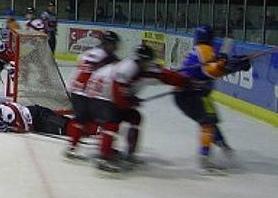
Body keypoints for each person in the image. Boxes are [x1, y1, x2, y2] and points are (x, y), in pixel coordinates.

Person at [84, 45, 191, 173]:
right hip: (99, 98)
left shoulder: (141, 67)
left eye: (145, 61)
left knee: (135, 117)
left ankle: (129, 154)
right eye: (141, 61)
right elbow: (117, 93)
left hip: (104, 97)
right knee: (111, 124)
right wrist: (129, 102)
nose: (143, 64)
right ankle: (104, 158)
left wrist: (185, 81)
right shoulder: (127, 68)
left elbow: (164, 75)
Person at [174, 25, 252, 173]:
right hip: (190, 94)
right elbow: (213, 71)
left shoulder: (199, 50)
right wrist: (233, 65)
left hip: (193, 94)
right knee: (207, 122)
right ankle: (206, 159)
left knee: (211, 120)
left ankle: (224, 148)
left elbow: (215, 65)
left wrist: (232, 64)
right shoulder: (204, 49)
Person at [64, 30, 121, 160]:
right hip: (86, 93)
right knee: (108, 121)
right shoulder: (107, 58)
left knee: (81, 120)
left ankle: (72, 148)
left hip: (76, 90)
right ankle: (105, 152)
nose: (115, 47)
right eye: (113, 44)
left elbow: (80, 67)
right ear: (107, 43)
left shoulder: (88, 53)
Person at [0, 102, 70, 135]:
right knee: (66, 130)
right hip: (37, 123)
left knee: (67, 126)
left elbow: (23, 128)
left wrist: (9, 127)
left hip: (39, 116)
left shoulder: (8, 111)